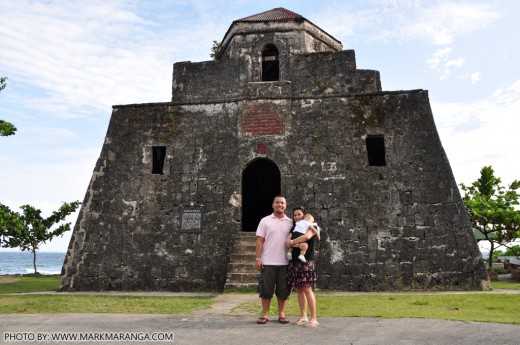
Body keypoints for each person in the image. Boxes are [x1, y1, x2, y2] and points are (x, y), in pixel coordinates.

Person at [255, 195, 298, 325]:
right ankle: (265, 314)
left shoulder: (291, 222)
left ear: (286, 206)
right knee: (265, 290)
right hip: (268, 262)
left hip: (285, 262)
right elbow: (259, 240)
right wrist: (258, 258)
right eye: (277, 202)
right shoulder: (265, 221)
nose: (280, 205)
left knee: (283, 290)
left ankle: (281, 314)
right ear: (273, 205)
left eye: (283, 203)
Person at [286, 206, 320, 328]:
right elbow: (286, 242)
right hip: (295, 261)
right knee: (299, 289)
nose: (297, 217)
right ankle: (304, 316)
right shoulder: (294, 227)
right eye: (295, 215)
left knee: (307, 288)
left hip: (306, 261)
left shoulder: (312, 225)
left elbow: (307, 237)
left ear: (304, 215)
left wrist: (292, 243)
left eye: (299, 214)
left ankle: (314, 318)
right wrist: (298, 245)